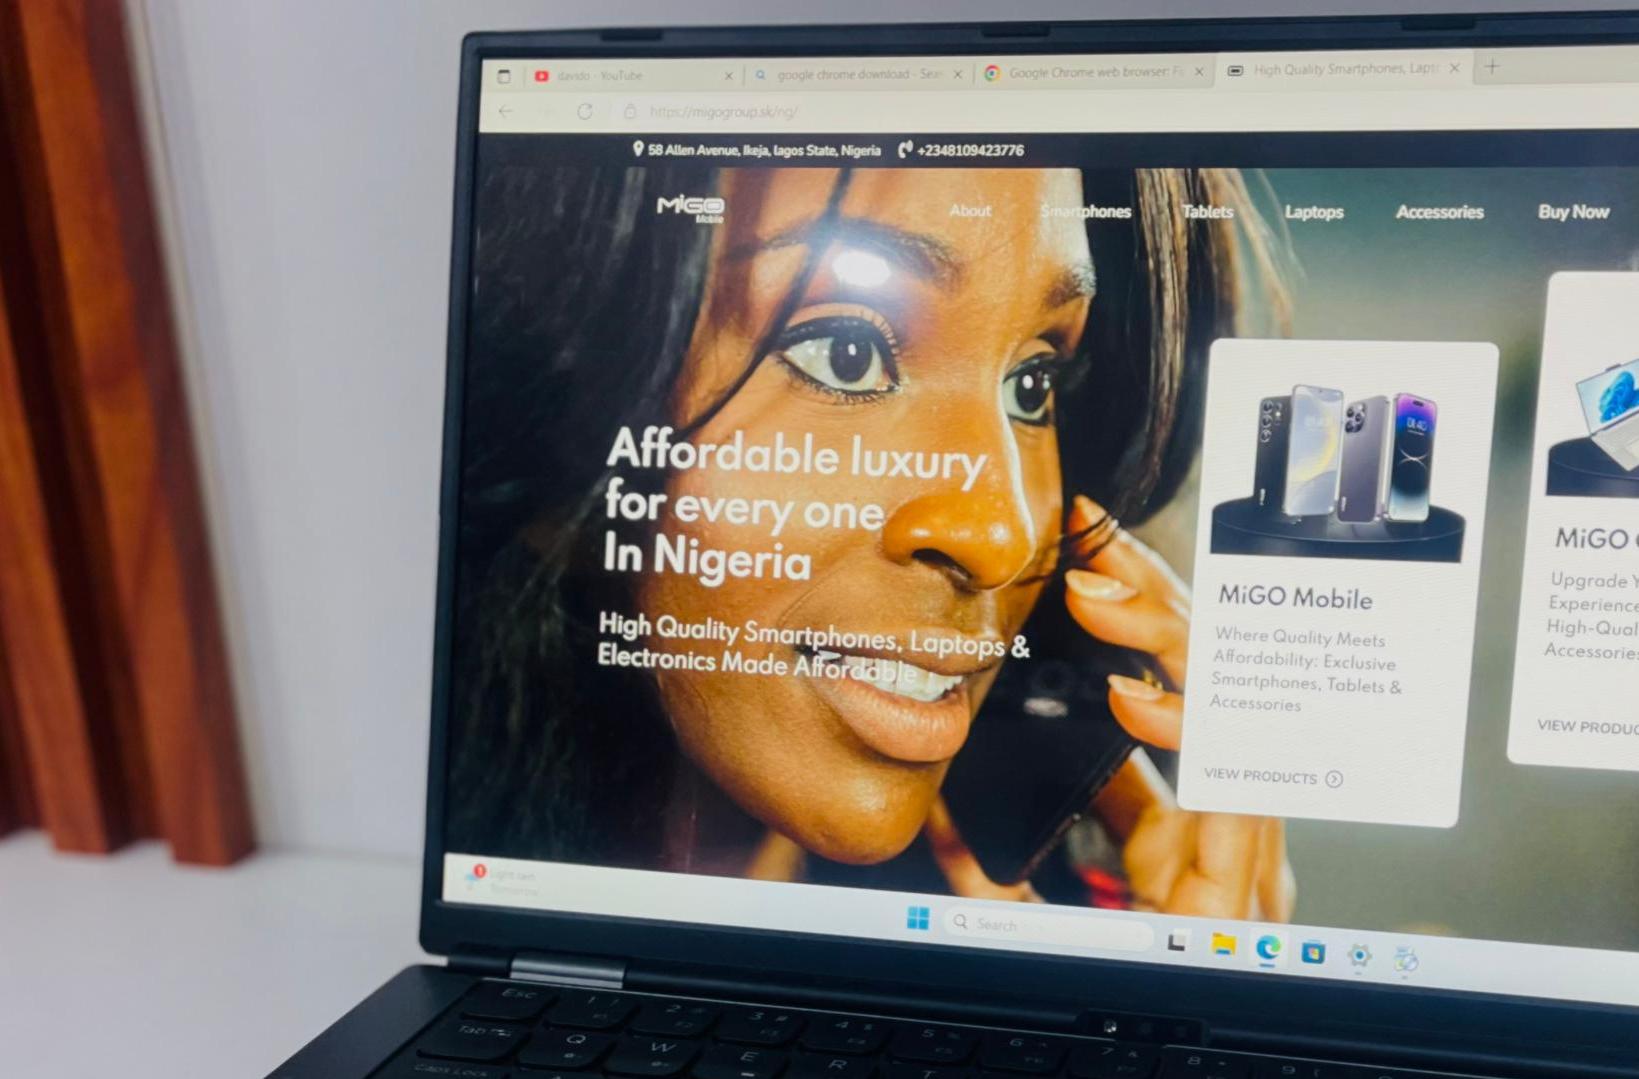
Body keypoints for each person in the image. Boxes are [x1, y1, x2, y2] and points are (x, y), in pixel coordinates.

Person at [450, 161, 1292, 921]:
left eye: (1032, 384)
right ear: (550, 410)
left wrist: (1151, 1008)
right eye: (847, 352)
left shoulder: (1073, 919)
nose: (999, 535)